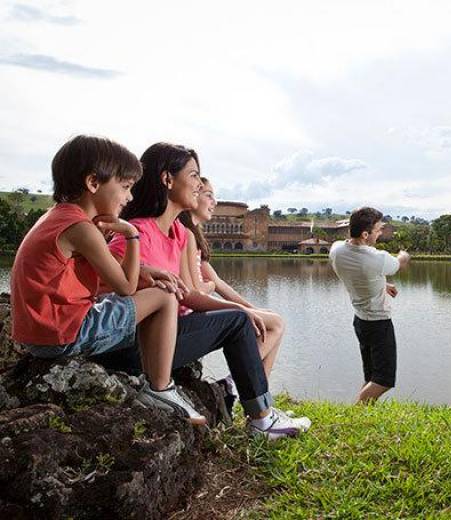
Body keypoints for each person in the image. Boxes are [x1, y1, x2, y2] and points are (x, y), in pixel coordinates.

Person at [104, 142, 309, 439]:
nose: (199, 184)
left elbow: (186, 294)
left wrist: (240, 308)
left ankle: (259, 410)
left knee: (239, 318)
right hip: (135, 346)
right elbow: (109, 290)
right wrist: (238, 312)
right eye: (194, 175)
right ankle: (261, 419)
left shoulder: (177, 233)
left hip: (166, 336)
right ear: (167, 179)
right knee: (237, 322)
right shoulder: (136, 233)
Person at [10, 135, 207, 425]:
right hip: (64, 334)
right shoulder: (81, 229)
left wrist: (146, 271)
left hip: (39, 336)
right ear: (93, 183)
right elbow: (125, 287)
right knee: (165, 296)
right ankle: (161, 389)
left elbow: (112, 275)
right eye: (125, 187)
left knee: (153, 289)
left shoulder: (57, 217)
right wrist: (131, 234)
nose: (129, 198)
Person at [178, 178, 286, 381]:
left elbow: (218, 283)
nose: (215, 203)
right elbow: (199, 289)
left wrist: (250, 308)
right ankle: (235, 387)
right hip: (190, 314)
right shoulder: (185, 236)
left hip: (197, 310)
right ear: (192, 197)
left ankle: (257, 397)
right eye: (208, 195)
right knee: (276, 323)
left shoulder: (194, 236)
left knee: (269, 317)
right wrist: (209, 287)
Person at [329, 207, 411, 403]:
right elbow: (399, 263)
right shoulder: (377, 258)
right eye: (378, 230)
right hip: (378, 322)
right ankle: (357, 412)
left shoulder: (337, 250)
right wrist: (403, 255)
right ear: (366, 234)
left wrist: (382, 284)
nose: (380, 233)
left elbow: (360, 275)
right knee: (383, 380)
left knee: (371, 376)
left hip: (360, 321)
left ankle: (364, 415)